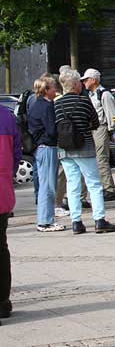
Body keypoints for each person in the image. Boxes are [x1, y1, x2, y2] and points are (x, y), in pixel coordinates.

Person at [54, 70, 115, 235]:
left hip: (65, 149)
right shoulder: (84, 101)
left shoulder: (57, 103)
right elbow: (95, 122)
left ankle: (76, 222)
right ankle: (99, 220)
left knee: (72, 185)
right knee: (94, 184)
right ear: (75, 84)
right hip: (84, 147)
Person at [28, 76, 65, 232]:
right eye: (53, 87)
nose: (55, 90)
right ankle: (45, 221)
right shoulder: (47, 106)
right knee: (48, 186)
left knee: (44, 185)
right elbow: (51, 130)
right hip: (48, 147)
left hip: (40, 147)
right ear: (46, 90)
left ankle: (45, 219)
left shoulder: (35, 104)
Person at [81, 68, 115, 201]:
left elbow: (111, 113)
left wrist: (111, 130)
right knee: (98, 159)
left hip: (101, 128)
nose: (84, 82)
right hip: (94, 129)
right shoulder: (92, 95)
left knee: (101, 159)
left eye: (86, 80)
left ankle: (109, 189)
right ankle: (106, 187)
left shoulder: (104, 94)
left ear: (93, 80)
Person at [0, 102, 21, 324]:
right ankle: (2, 302)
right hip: (2, 191)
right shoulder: (6, 116)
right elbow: (17, 153)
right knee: (1, 247)